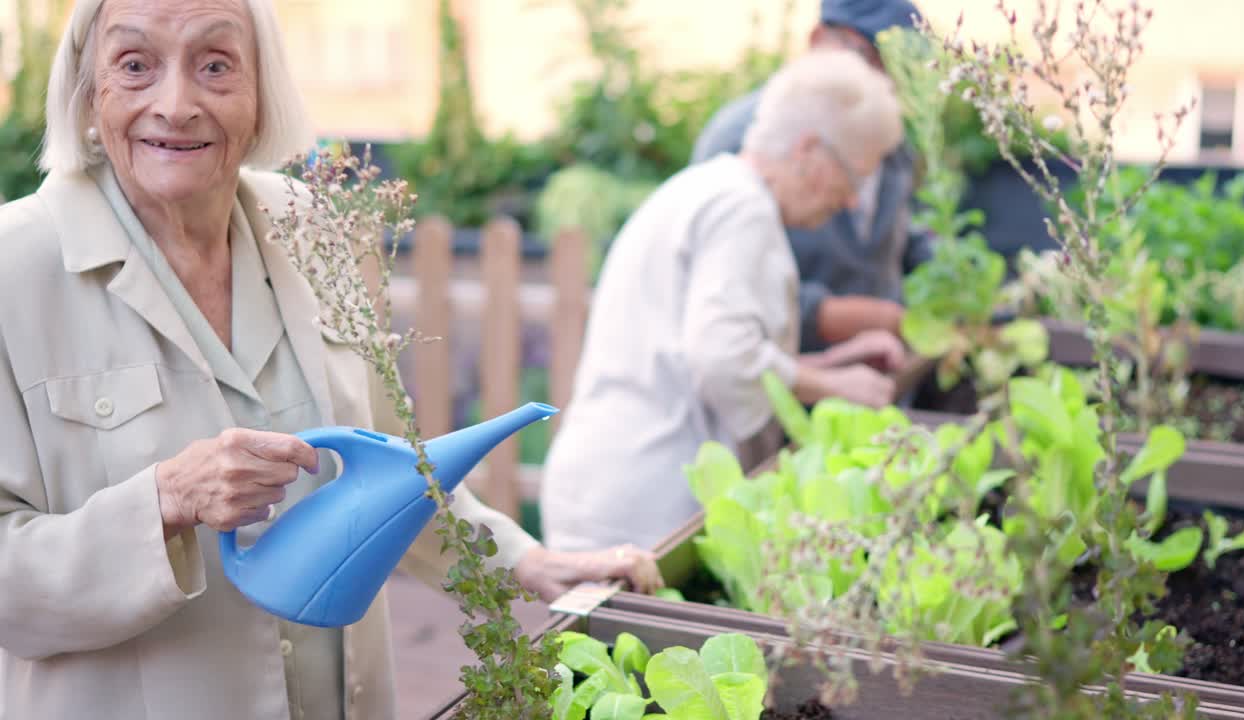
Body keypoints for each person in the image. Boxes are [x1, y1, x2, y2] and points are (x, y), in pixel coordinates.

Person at [0, 1, 659, 718]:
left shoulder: (308, 225)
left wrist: (526, 561)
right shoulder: (17, 268)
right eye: (135, 66)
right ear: (88, 94)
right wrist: (164, 501)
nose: (176, 104)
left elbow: (386, 473)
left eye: (216, 65)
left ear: (261, 96)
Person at [540, 49, 907, 554]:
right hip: (647, 507)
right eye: (854, 178)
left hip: (610, 487)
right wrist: (832, 383)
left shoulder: (708, 188)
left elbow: (704, 351)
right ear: (808, 151)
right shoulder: (744, 211)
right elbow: (723, 358)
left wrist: (824, 364)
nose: (850, 201)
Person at [692, 0, 930, 354]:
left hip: (879, 374)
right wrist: (833, 316)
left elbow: (904, 237)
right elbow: (716, 284)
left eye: (898, 70)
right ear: (818, 39)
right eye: (871, 58)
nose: (882, 82)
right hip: (781, 377)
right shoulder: (742, 140)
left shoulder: (894, 149)